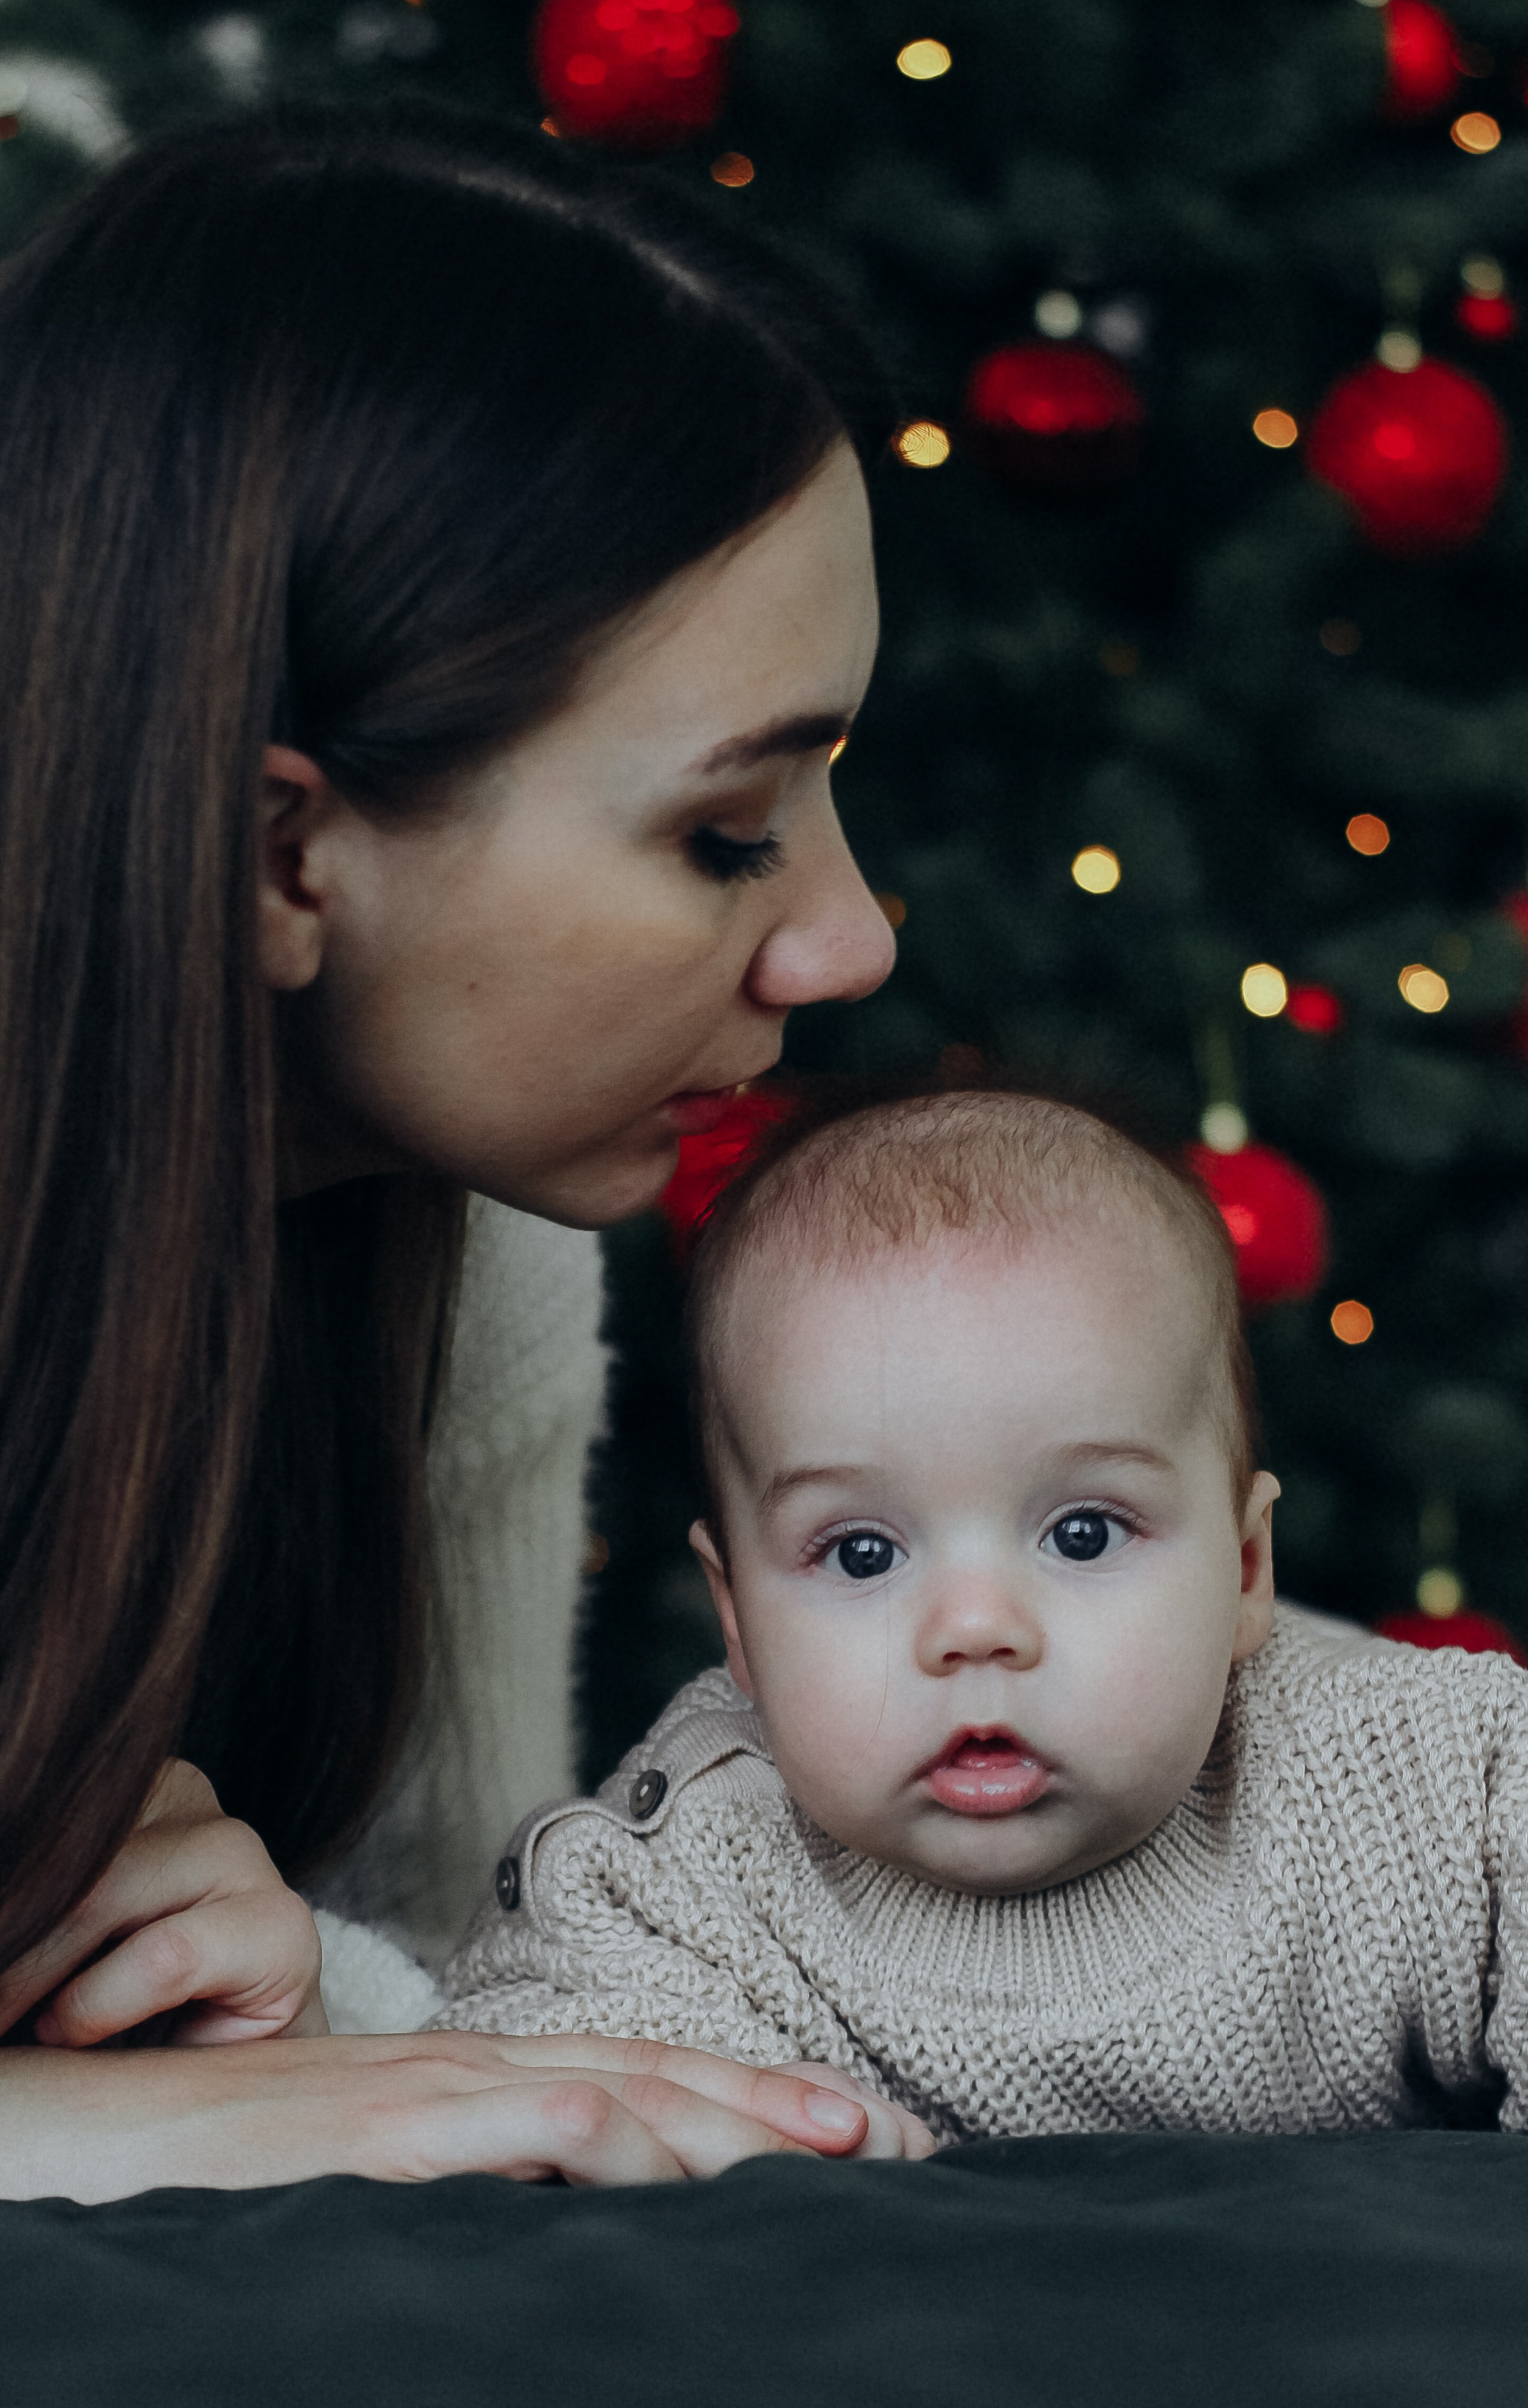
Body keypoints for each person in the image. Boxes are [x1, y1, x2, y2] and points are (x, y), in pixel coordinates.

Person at [0, 100, 929, 2199]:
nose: (852, 937)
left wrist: (272, 1991)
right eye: (725, 831)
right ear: (279, 850)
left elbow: (459, 1991)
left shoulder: (481, 1250)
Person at [437, 1085, 1528, 2149]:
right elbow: (544, 2057)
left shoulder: (1393, 1787)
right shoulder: (702, 1879)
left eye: (1084, 1533)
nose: (975, 1629)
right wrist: (726, 2155)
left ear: (1247, 1567)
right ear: (737, 1621)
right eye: (860, 1551)